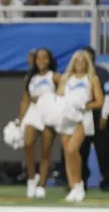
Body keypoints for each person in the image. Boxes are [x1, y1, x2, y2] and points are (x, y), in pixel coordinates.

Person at [56, 50, 104, 202]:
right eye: (77, 60)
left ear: (87, 63)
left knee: (73, 149)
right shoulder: (66, 78)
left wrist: (84, 105)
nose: (80, 63)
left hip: (83, 117)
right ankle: (74, 186)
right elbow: (58, 96)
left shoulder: (92, 79)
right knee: (67, 153)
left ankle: (80, 184)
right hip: (65, 117)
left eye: (83, 61)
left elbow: (99, 101)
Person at [18, 48, 60, 198]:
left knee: (46, 150)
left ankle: (42, 184)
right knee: (28, 144)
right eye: (38, 58)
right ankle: (31, 178)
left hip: (49, 112)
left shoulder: (54, 77)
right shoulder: (30, 77)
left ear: (49, 60)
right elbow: (25, 99)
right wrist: (20, 120)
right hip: (33, 112)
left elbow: (62, 94)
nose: (41, 61)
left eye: (44, 58)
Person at [80, 46, 109, 191]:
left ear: (94, 57)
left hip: (99, 116)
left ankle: (107, 181)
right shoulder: (76, 75)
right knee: (81, 151)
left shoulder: (103, 73)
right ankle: (80, 181)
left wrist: (105, 115)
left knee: (104, 151)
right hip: (81, 118)